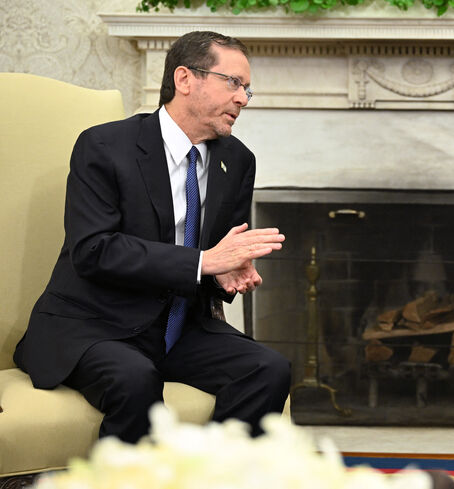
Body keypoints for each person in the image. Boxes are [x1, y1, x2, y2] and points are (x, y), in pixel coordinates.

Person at [13, 31, 292, 443]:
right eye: (233, 83)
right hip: (96, 325)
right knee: (135, 378)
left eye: (247, 89)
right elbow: (93, 250)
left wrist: (226, 272)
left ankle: (203, 476)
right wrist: (204, 263)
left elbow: (218, 256)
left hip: (179, 329)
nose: (244, 99)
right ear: (184, 79)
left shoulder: (237, 160)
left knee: (269, 368)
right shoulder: (105, 146)